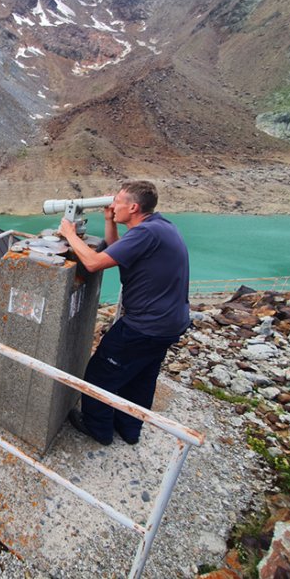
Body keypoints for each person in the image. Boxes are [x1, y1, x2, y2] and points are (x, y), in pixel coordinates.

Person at [57, 180, 190, 446]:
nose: (112, 205)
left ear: (133, 207)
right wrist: (110, 221)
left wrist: (70, 234)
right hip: (169, 323)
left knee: (100, 374)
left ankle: (98, 429)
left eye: (117, 201)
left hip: (145, 325)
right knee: (140, 379)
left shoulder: (145, 234)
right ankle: (129, 430)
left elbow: (94, 263)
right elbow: (116, 249)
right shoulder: (159, 226)